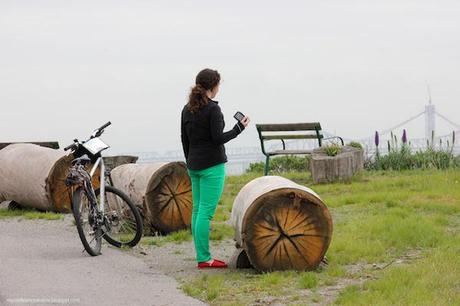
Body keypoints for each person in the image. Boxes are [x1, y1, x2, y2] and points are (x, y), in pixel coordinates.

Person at [180, 68, 250, 268]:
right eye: (218, 84)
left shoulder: (187, 109)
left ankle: (202, 256)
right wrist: (239, 128)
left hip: (194, 165)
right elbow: (218, 138)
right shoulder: (213, 109)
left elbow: (184, 139)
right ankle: (204, 258)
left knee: (197, 211)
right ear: (213, 86)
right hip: (212, 166)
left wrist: (190, 160)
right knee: (205, 213)